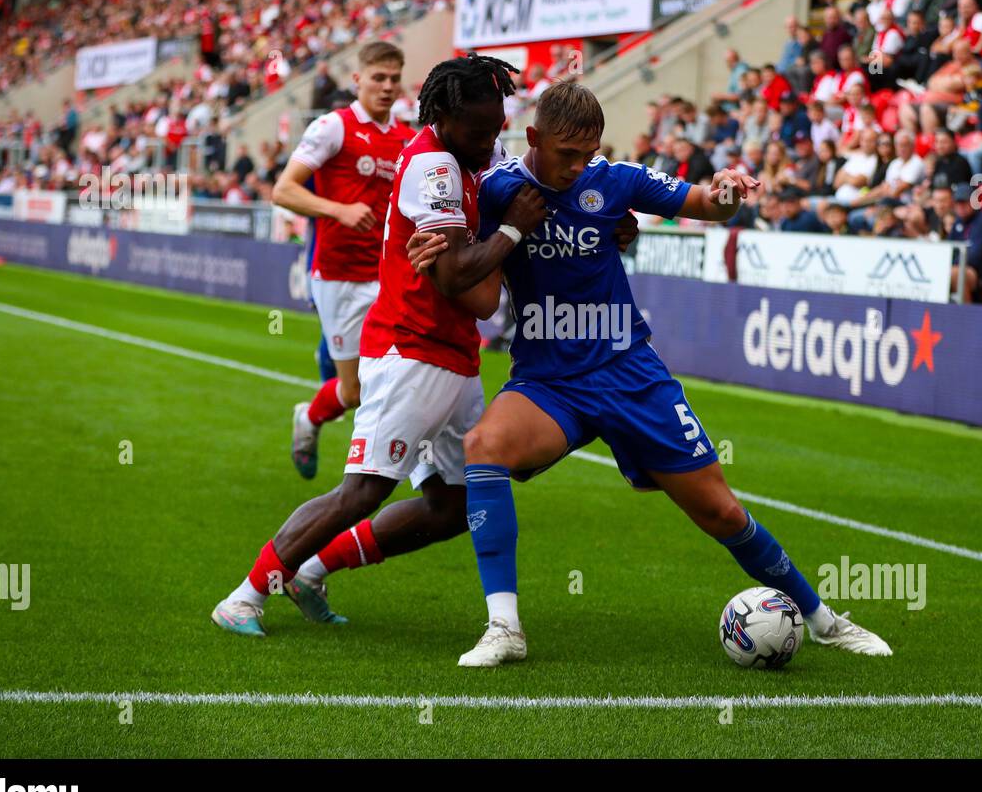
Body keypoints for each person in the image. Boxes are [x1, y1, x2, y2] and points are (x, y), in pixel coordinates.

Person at [409, 81, 892, 667]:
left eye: (587, 153)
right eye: (565, 153)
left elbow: (702, 203)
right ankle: (504, 628)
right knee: (483, 446)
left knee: (720, 511)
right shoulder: (497, 189)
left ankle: (822, 620)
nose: (577, 166)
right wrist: (439, 253)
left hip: (629, 371)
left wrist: (726, 192)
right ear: (533, 138)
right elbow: (474, 283)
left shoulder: (616, 180)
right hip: (549, 381)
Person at [209, 54, 549, 637]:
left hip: (453, 353)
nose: (490, 140)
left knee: (451, 507)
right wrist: (511, 231)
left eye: (497, 128)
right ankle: (246, 594)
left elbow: (475, 275)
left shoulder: (467, 158)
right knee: (363, 488)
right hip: (411, 350)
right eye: (479, 128)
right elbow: (462, 279)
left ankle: (311, 571)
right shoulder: (434, 167)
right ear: (444, 115)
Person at [273, 41, 415, 479]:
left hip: (389, 277)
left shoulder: (407, 139)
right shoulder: (334, 127)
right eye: (378, 78)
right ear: (358, 80)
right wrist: (338, 210)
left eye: (394, 79)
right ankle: (309, 418)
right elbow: (284, 190)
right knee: (352, 390)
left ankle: (399, 465)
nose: (387, 87)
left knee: (406, 368)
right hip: (339, 278)